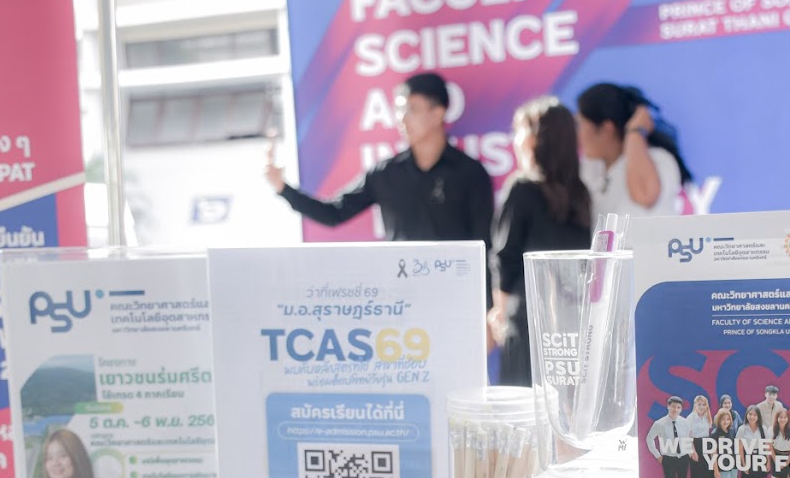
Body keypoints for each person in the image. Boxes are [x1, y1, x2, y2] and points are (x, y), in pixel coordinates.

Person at [265, 73, 493, 250]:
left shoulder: (471, 173)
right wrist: (283, 188)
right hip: (402, 292)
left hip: (455, 290)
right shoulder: (385, 174)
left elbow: (484, 244)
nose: (402, 119)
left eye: (412, 109)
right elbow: (334, 213)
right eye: (399, 110)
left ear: (438, 113)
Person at [489, 96, 592, 386]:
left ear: (536, 138)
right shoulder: (580, 192)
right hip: (570, 319)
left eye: (519, 130)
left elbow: (505, 257)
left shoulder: (522, 188)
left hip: (526, 318)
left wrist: (499, 311)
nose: (515, 139)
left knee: (523, 402)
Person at [576, 83, 691, 220]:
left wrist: (635, 133)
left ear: (607, 129)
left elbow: (645, 195)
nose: (577, 134)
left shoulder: (658, 159)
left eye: (581, 124)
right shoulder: (590, 168)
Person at [645, 395, 692, 478]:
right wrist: (658, 456)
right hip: (668, 458)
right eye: (673, 406)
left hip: (683, 457)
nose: (675, 409)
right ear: (668, 406)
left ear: (681, 409)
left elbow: (688, 437)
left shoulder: (685, 422)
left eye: (678, 407)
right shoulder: (659, 423)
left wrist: (689, 452)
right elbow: (649, 438)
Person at [735, 406, 769, 478]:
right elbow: (740, 449)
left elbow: (766, 446)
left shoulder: (763, 429)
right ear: (746, 415)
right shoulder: (742, 429)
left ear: (758, 416)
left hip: (760, 457)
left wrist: (768, 462)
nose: (752, 417)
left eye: (755, 415)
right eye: (750, 414)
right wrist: (743, 464)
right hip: (748, 457)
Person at [686, 395, 715, 478]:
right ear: (695, 405)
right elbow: (687, 436)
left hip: (706, 445)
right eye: (699, 404)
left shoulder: (707, 416)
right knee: (697, 474)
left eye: (704, 404)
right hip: (696, 445)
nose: (701, 407)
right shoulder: (690, 418)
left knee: (708, 473)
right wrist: (693, 452)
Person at [710, 408, 737, 478]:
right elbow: (713, 454)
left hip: (733, 466)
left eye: (728, 419)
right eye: (723, 419)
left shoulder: (732, 431)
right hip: (722, 466)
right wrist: (716, 470)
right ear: (718, 420)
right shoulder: (714, 434)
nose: (726, 421)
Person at [770, 408, 790, 478]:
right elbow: (770, 446)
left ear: (788, 418)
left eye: (785, 417)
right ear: (777, 418)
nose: (783, 419)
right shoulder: (771, 429)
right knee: (777, 477)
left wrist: (788, 461)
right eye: (780, 417)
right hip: (776, 454)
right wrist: (775, 460)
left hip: (788, 455)